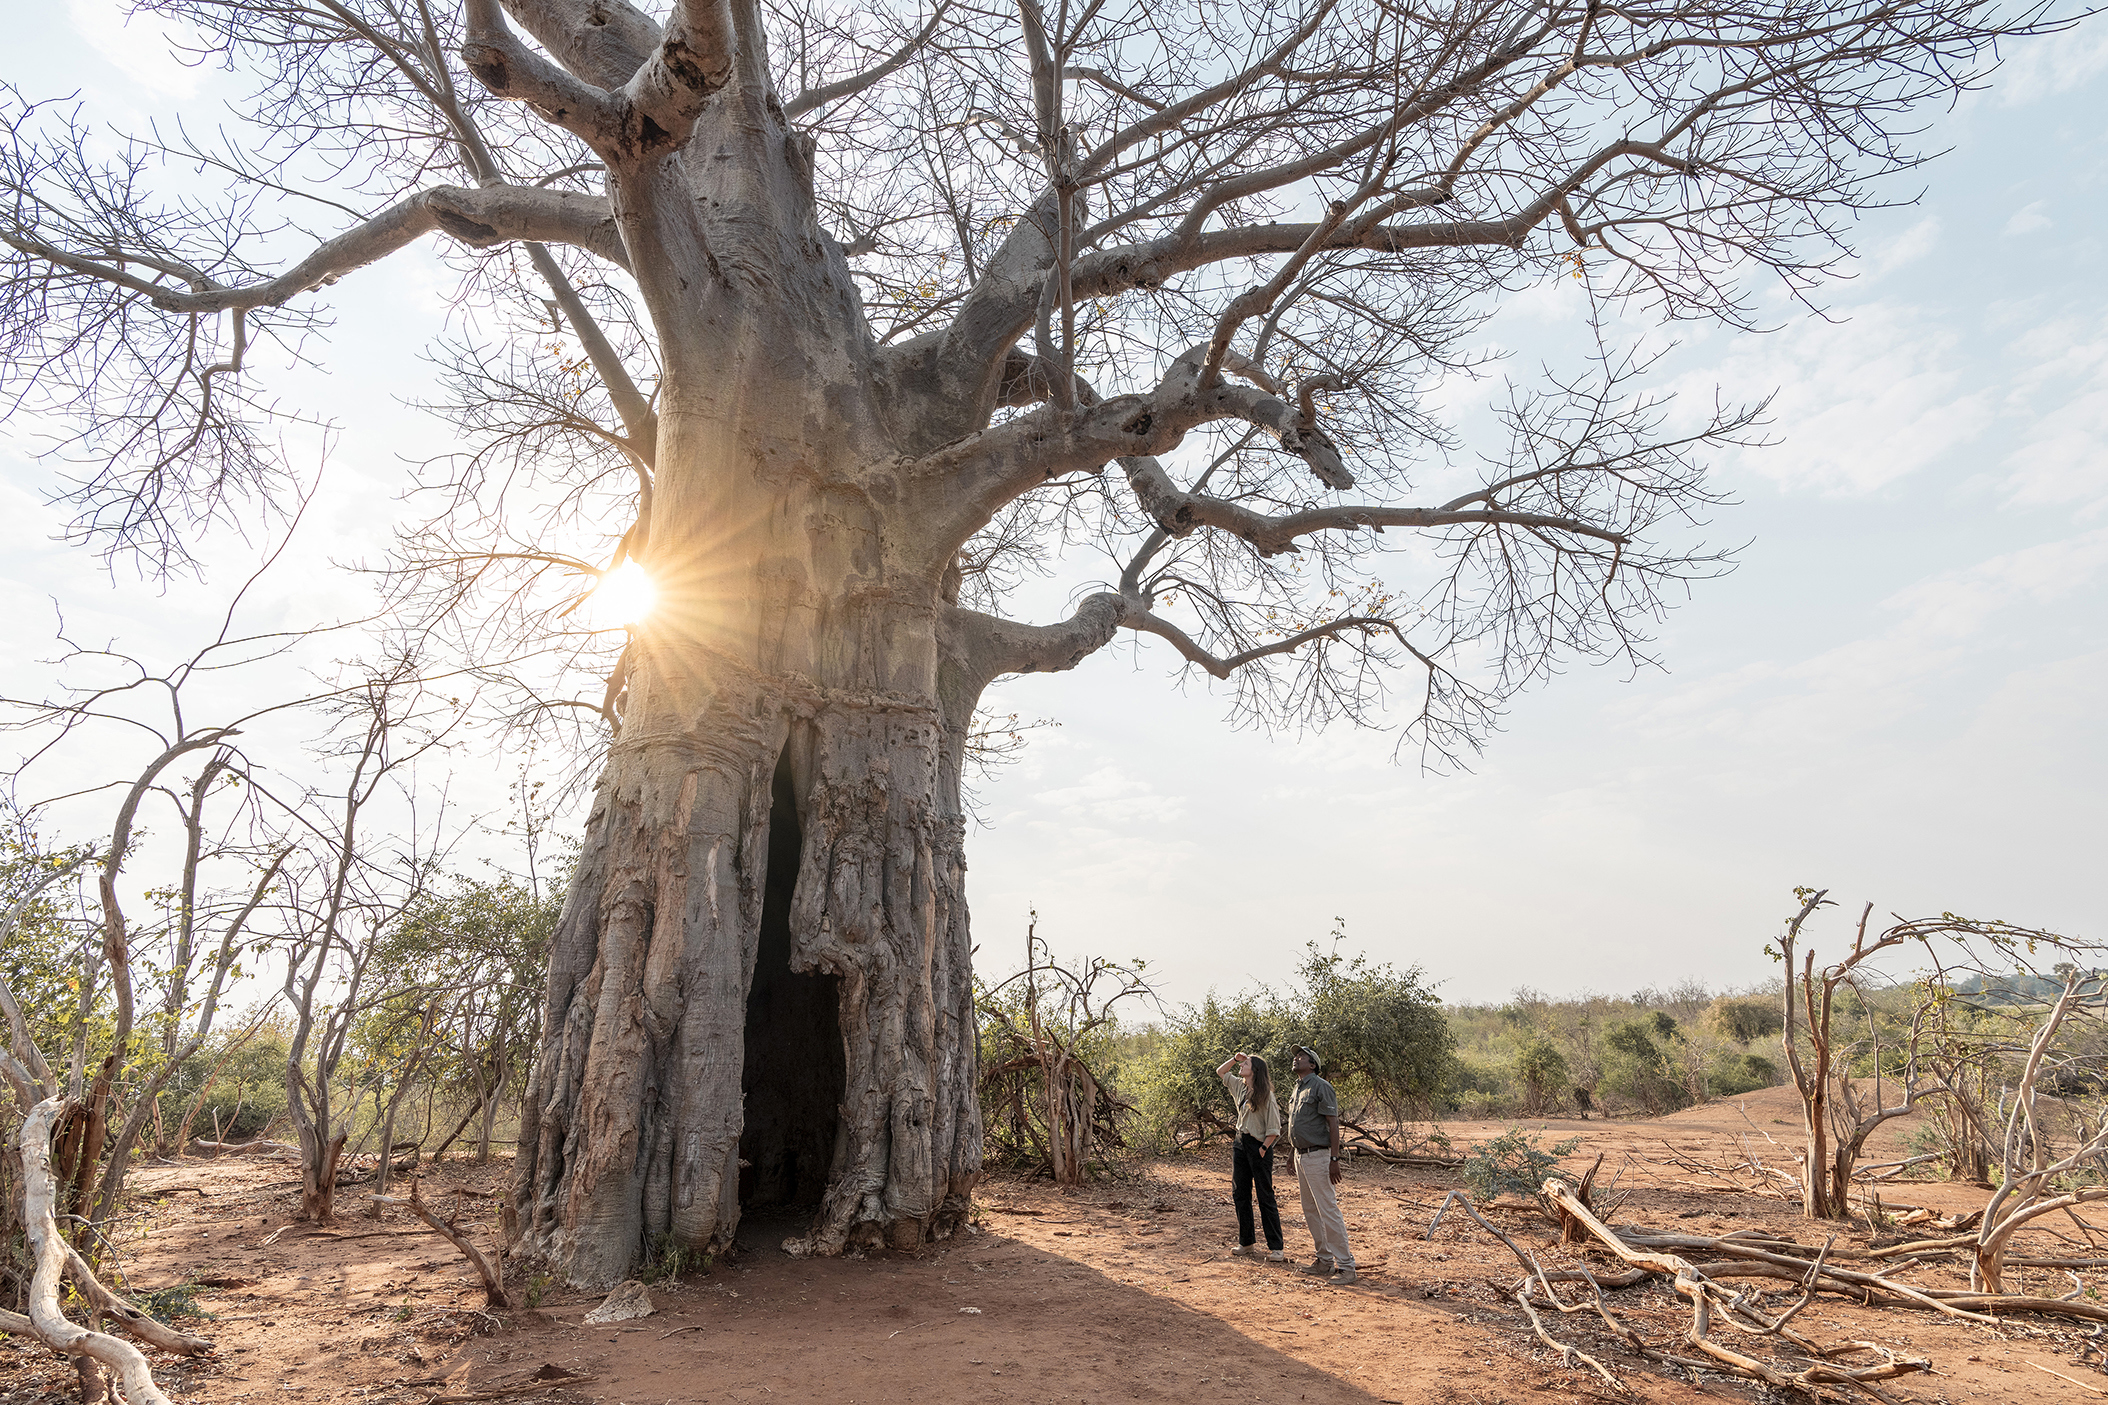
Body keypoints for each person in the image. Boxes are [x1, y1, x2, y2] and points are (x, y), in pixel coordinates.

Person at [1283, 1045, 1356, 1284]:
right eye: (1296, 1056)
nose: (1297, 1058)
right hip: (1301, 1155)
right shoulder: (1298, 1088)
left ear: (1313, 1064)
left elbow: (1333, 1124)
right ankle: (1324, 1261)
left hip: (1319, 1156)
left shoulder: (1321, 1086)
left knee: (1327, 1209)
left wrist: (1334, 1159)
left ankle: (1346, 1266)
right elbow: (1299, 1124)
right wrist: (1292, 1153)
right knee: (1310, 1210)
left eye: (1302, 1056)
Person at [1213, 1051, 1285, 1261]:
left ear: (1255, 1071)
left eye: (1247, 1063)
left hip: (1259, 1145)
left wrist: (1263, 1148)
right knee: (1240, 1194)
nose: (1242, 1065)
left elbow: (1274, 1128)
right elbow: (1220, 1071)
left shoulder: (1267, 1096)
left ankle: (1276, 1247)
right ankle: (1246, 1242)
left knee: (1265, 1196)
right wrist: (1235, 1059)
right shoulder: (1240, 1088)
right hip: (1240, 1143)